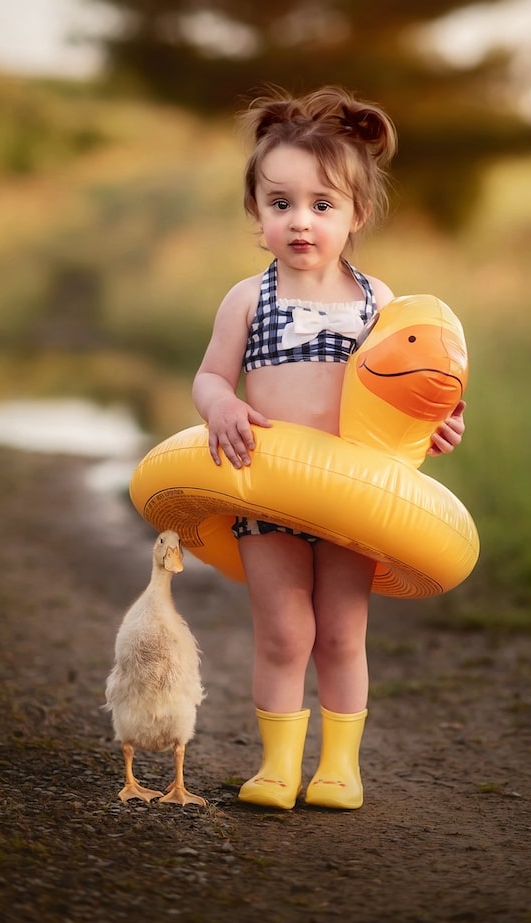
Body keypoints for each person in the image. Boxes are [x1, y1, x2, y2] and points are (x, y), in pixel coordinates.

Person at [192, 87, 465, 810]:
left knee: (341, 632)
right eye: (280, 203)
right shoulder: (248, 298)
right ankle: (279, 764)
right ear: (258, 217)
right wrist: (221, 404)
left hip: (352, 497)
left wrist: (434, 428)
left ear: (356, 215)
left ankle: (340, 766)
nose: (300, 221)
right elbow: (212, 373)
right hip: (268, 486)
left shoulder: (382, 304)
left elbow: (407, 400)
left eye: (322, 204)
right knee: (285, 631)